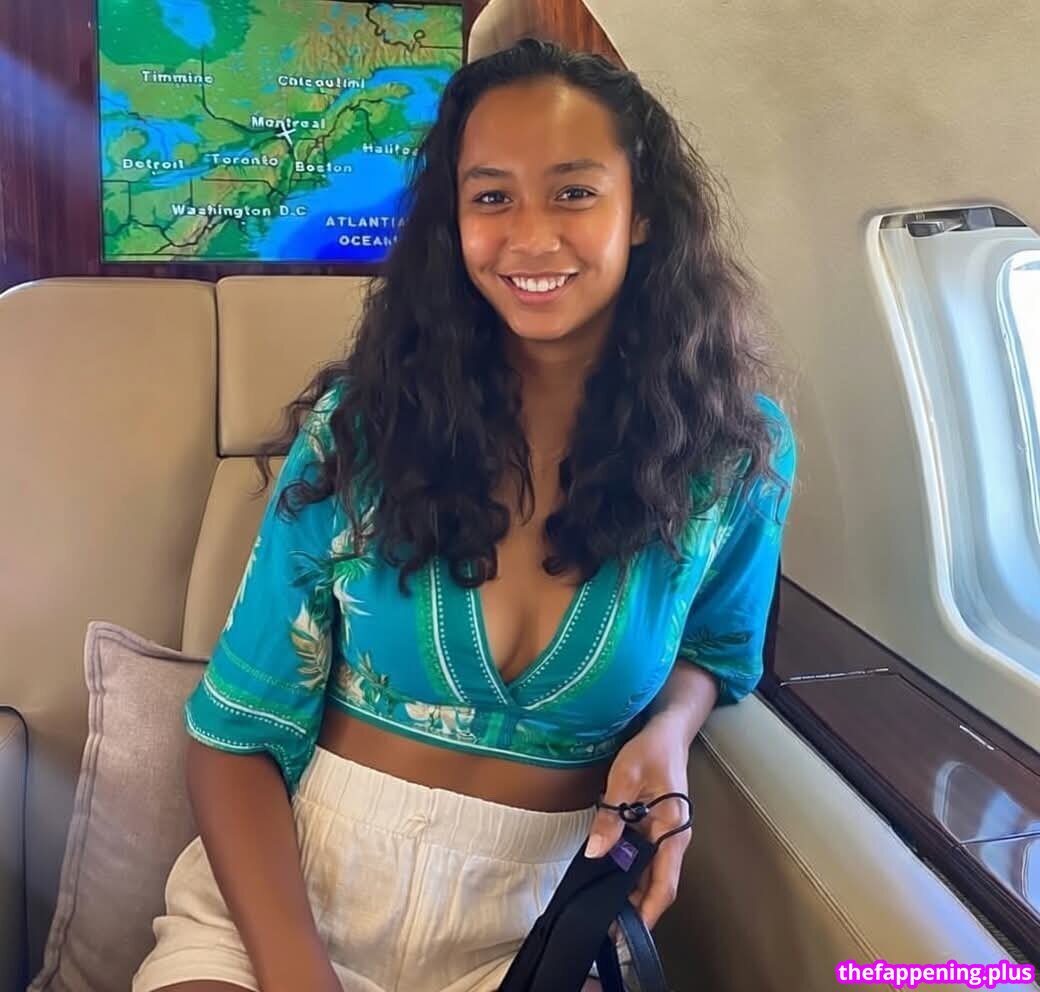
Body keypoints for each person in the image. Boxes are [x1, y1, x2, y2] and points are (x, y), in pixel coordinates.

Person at [133, 37, 796, 992]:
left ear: (643, 210)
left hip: (536, 927)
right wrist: (297, 976)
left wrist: (669, 734)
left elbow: (716, 650)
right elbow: (234, 739)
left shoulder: (734, 455)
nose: (531, 237)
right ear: (454, 220)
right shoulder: (363, 432)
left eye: (574, 192)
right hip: (290, 902)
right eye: (491, 198)